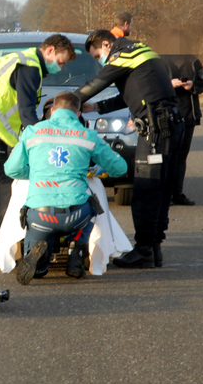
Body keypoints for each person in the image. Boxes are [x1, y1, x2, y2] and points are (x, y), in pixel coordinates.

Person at [0, 33, 75, 264]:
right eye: (60, 62)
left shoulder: (22, 60)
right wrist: (43, 144)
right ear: (50, 50)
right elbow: (26, 114)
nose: (60, 68)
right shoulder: (30, 67)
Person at [74, 29, 182, 268]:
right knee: (161, 189)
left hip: (156, 130)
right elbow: (130, 94)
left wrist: (70, 101)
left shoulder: (124, 54)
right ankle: (154, 248)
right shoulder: (142, 51)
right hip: (170, 125)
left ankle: (144, 250)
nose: (99, 61)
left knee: (146, 189)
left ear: (105, 44)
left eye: (96, 56)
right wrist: (96, 108)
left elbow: (98, 82)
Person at [4, 91, 128, 284]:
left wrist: (36, 173)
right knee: (92, 206)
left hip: (40, 215)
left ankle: (40, 260)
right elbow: (120, 168)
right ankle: (76, 254)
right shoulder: (88, 136)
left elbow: (11, 169)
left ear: (52, 111)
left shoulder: (32, 131)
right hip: (76, 215)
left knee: (38, 263)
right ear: (78, 113)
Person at [161, 54, 203, 205]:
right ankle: (165, 195)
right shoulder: (159, 60)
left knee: (181, 157)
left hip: (188, 115)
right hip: (167, 115)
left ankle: (177, 193)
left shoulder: (193, 61)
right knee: (167, 156)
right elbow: (151, 85)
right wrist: (170, 84)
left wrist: (192, 86)